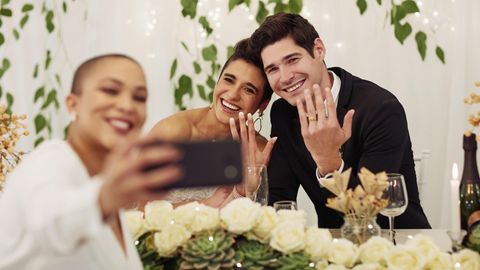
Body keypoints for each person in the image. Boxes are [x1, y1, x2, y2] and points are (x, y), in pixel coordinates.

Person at [0, 54, 183, 269]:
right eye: (110, 90)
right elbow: (49, 224)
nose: (127, 105)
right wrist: (104, 198)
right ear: (72, 103)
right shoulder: (48, 162)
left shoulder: (101, 184)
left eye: (140, 97)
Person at [248, 13, 431, 228]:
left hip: (398, 243)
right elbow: (279, 200)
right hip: (331, 249)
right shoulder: (283, 112)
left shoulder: (380, 108)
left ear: (318, 49)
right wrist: (253, 185)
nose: (285, 77)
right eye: (273, 69)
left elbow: (368, 210)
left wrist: (328, 162)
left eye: (292, 60)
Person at [149, 39, 276, 207]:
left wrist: (248, 191)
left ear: (262, 104)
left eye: (248, 89)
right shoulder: (173, 132)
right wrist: (205, 205)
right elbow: (141, 207)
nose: (232, 95)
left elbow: (257, 217)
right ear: (218, 81)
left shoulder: (258, 151)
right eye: (229, 80)